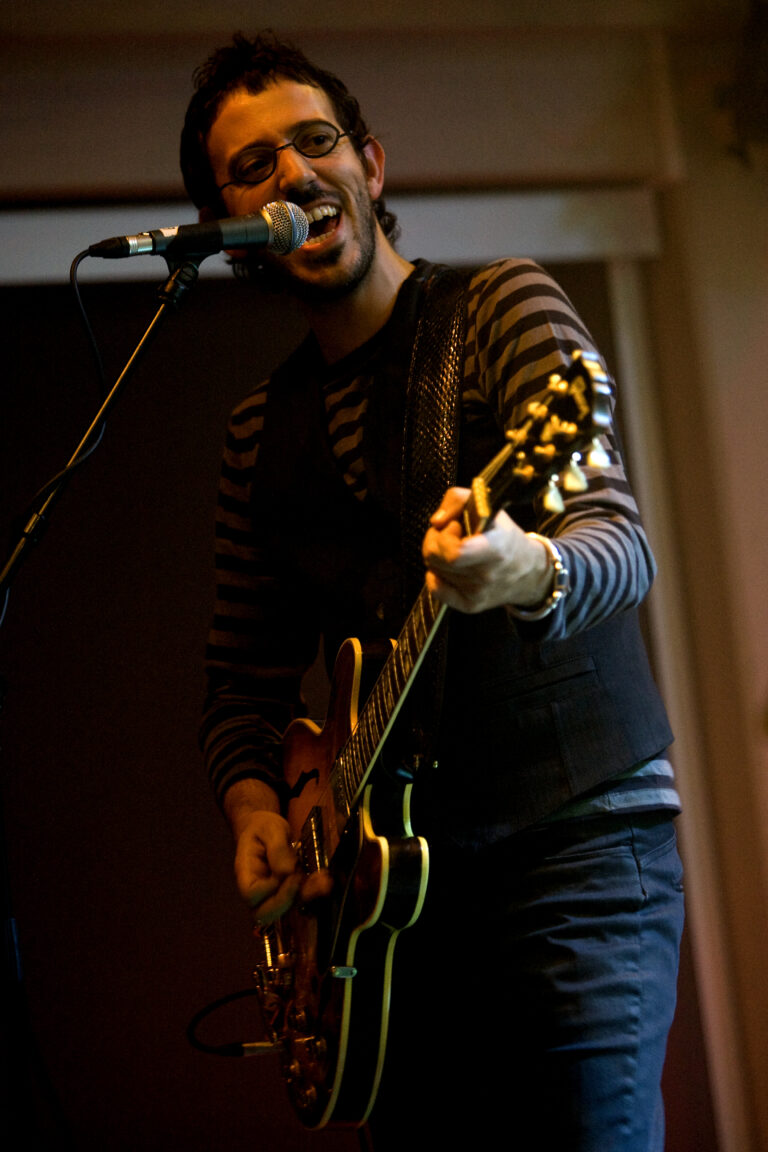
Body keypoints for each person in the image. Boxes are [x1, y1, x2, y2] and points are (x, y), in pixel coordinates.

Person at [182, 31, 684, 1151]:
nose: (294, 176)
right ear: (229, 227)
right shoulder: (257, 435)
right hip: (390, 906)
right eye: (253, 166)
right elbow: (238, 688)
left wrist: (522, 569)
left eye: (316, 144)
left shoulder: (504, 308)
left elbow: (617, 542)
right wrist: (260, 812)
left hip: (576, 848)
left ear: (370, 164)